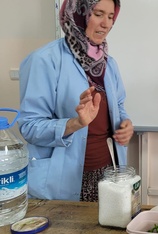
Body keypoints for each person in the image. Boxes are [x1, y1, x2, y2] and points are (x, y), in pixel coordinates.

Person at [18, 0, 134, 202]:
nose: (106, 24)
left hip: (108, 175)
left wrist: (125, 124)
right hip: (63, 182)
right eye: (98, 14)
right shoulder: (44, 60)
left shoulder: (109, 63)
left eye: (110, 16)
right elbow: (29, 127)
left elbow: (120, 106)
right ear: (78, 14)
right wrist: (75, 123)